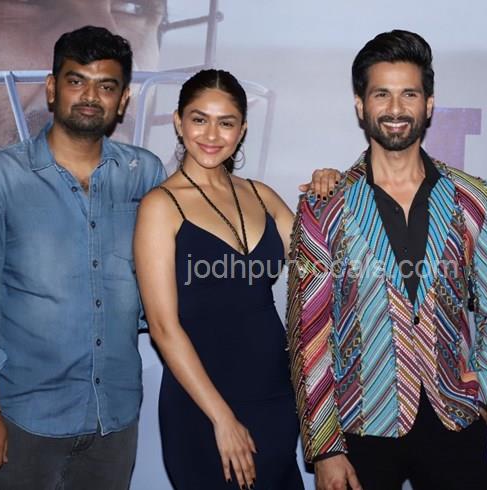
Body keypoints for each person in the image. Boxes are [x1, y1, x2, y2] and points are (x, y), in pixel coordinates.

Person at [287, 30, 487, 490]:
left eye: (409, 94)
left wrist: (483, 397)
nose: (395, 108)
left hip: (454, 419)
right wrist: (326, 446)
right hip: (360, 424)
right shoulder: (324, 205)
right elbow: (309, 333)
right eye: (382, 94)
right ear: (361, 105)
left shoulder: (473, 198)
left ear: (428, 104)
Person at [0, 26, 165, 489]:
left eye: (106, 86)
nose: (90, 97)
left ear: (123, 99)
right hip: (26, 417)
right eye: (76, 80)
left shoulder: (144, 172)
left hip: (116, 416)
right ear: (52, 88)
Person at [135, 69, 339, 489]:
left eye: (225, 122)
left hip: (275, 397)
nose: (212, 135)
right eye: (199, 119)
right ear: (178, 122)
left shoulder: (261, 195)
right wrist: (222, 419)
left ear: (242, 129)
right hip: (202, 407)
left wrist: (336, 192)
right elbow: (163, 328)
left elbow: (327, 266)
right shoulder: (160, 206)